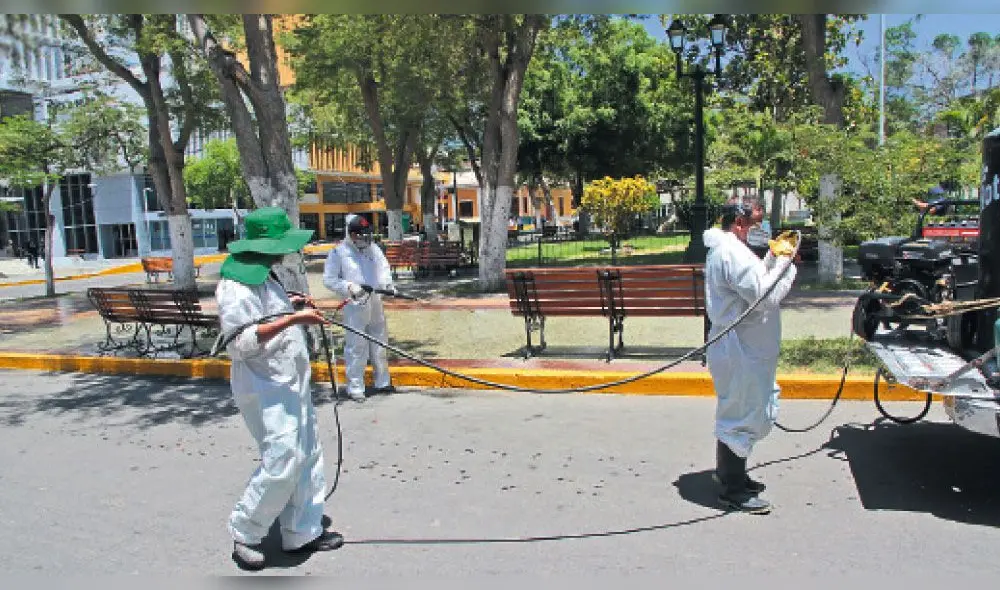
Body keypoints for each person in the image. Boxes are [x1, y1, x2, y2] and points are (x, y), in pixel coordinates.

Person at [215, 207, 344, 570]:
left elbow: (267, 313)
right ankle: (246, 531)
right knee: (282, 458)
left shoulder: (265, 276)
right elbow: (242, 341)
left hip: (289, 381)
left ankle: (302, 530)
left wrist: (292, 304)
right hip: (264, 386)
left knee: (307, 454)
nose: (285, 253)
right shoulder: (235, 286)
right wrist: (294, 318)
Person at [702, 202, 798, 515]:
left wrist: (772, 257)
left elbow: (755, 279)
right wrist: (786, 262)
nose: (759, 228)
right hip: (739, 349)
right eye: (754, 221)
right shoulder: (731, 252)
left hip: (743, 348)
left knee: (742, 410)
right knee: (739, 415)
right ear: (740, 222)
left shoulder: (732, 250)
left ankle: (733, 474)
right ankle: (733, 490)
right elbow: (764, 296)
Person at [322, 213, 396, 401]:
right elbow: (329, 280)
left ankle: (382, 381)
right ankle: (355, 387)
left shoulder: (373, 249)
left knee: (380, 342)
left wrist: (387, 284)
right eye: (360, 235)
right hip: (355, 305)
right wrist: (349, 287)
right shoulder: (338, 253)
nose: (364, 239)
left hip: (376, 301)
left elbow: (383, 267)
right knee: (356, 346)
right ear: (350, 234)